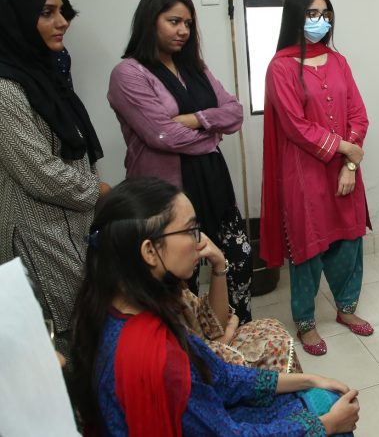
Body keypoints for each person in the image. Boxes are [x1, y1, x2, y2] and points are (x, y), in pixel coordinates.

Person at [70, 177, 359, 436]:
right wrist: (325, 426)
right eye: (191, 230)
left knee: (323, 395)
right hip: (220, 426)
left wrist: (309, 380)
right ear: (149, 251)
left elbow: (220, 375)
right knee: (330, 412)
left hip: (213, 418)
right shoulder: (152, 355)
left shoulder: (120, 307)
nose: (200, 241)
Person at [107, 0, 252, 323]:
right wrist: (211, 135)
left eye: (188, 23)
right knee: (180, 281)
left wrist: (195, 118)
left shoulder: (195, 68)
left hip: (213, 184)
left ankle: (235, 333)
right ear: (150, 21)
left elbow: (234, 113)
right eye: (174, 21)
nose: (183, 30)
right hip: (167, 195)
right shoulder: (129, 74)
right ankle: (193, 348)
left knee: (237, 261)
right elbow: (162, 135)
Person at [0, 0, 108, 357]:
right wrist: (97, 190)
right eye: (47, 13)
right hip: (38, 232)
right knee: (66, 336)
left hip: (73, 223)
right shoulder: (4, 89)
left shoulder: (45, 73)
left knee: (90, 325)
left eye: (62, 11)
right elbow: (38, 172)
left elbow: (74, 149)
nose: (62, 22)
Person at [261, 0, 372, 356]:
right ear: (296, 17)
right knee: (308, 247)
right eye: (312, 14)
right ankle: (306, 322)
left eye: (325, 14)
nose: (320, 21)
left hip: (344, 169)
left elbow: (358, 114)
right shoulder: (280, 67)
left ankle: (346, 308)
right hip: (303, 173)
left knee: (349, 240)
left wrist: (350, 164)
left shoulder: (339, 61)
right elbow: (295, 126)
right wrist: (347, 148)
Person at [180, 276, 302, 373]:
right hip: (209, 370)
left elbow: (215, 325)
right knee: (278, 349)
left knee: (273, 330)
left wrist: (219, 266)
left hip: (214, 350)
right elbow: (205, 356)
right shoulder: (170, 311)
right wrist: (230, 329)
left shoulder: (179, 291)